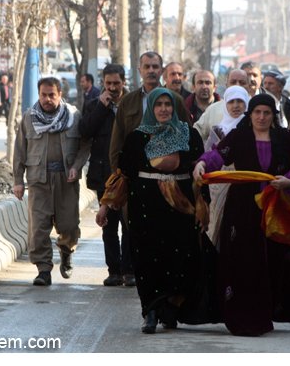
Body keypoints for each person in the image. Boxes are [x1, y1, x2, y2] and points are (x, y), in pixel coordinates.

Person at [193, 93, 290, 336]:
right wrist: (201, 164)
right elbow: (217, 155)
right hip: (243, 208)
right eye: (257, 113)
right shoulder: (240, 136)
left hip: (276, 206)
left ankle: (272, 312)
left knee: (275, 259)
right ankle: (244, 316)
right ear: (249, 115)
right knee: (244, 260)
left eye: (266, 113)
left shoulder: (283, 137)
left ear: (273, 116)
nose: (261, 117)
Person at [96, 88, 209, 334]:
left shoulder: (189, 135)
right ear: (151, 109)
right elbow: (123, 175)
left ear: (175, 107)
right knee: (147, 258)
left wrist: (203, 206)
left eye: (168, 104)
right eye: (159, 105)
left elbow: (200, 176)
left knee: (180, 257)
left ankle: (171, 310)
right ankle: (151, 311)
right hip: (145, 206)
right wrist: (105, 205)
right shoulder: (137, 137)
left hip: (181, 207)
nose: (164, 109)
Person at [13, 77, 91, 287]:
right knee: (39, 228)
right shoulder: (29, 118)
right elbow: (20, 150)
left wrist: (76, 166)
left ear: (60, 95)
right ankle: (43, 270)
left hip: (67, 180)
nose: (47, 99)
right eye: (43, 95)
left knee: (68, 226)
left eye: (51, 95)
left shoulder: (73, 116)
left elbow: (85, 145)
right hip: (39, 180)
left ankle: (66, 251)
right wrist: (18, 180)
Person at [80, 64, 133, 287]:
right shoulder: (94, 105)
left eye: (116, 83)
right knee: (108, 225)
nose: (112, 88)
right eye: (108, 83)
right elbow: (85, 131)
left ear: (123, 82)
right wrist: (102, 108)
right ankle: (114, 271)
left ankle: (130, 270)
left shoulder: (132, 105)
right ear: (103, 83)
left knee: (128, 225)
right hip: (103, 174)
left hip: (128, 173)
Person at [108, 52, 193, 174]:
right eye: (147, 67)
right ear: (140, 70)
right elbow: (117, 141)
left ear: (162, 71)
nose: (151, 70)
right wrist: (117, 174)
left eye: (155, 66)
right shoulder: (128, 101)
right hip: (135, 172)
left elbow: (188, 136)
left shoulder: (176, 100)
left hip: (169, 174)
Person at [200, 85, 250, 247]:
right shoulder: (219, 129)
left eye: (240, 101)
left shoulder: (252, 129)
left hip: (244, 185)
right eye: (231, 102)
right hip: (218, 186)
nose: (236, 106)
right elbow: (210, 154)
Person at [192, 69, 250, 142]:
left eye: (242, 83)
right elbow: (196, 133)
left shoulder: (255, 109)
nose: (237, 85)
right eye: (233, 82)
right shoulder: (213, 109)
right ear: (226, 85)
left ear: (249, 86)